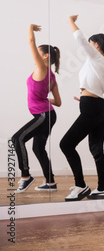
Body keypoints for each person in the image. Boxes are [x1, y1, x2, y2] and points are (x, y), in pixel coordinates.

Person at [60, 15, 104, 201]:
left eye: (92, 43)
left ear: (97, 45)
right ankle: (101, 189)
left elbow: (79, 38)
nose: (89, 45)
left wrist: (70, 20)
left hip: (93, 108)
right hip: (99, 109)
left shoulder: (96, 56)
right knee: (97, 150)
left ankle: (81, 186)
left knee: (66, 144)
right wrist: (91, 99)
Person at [12, 24, 61, 193]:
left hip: (43, 115)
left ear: (45, 56)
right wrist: (43, 98)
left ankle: (26, 176)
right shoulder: (52, 75)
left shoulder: (41, 68)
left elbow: (31, 41)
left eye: (39, 53)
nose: (35, 56)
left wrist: (30, 28)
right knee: (37, 148)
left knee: (17, 139)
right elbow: (58, 102)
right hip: (48, 114)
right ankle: (50, 182)